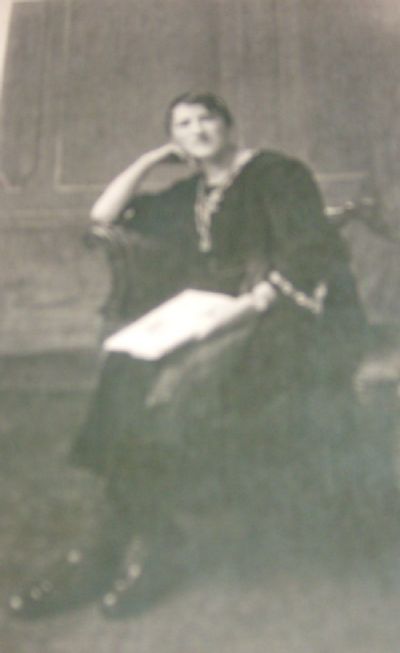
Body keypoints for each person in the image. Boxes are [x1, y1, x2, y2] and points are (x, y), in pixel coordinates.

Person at [10, 92, 371, 619]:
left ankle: (134, 551)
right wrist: (150, 160)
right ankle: (125, 544)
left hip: (293, 317)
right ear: (175, 140)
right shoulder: (193, 191)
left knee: (173, 394)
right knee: (127, 369)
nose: (198, 130)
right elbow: (103, 215)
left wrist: (252, 304)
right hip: (222, 312)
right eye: (183, 125)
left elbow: (310, 250)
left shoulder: (276, 173)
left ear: (230, 126)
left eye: (207, 119)